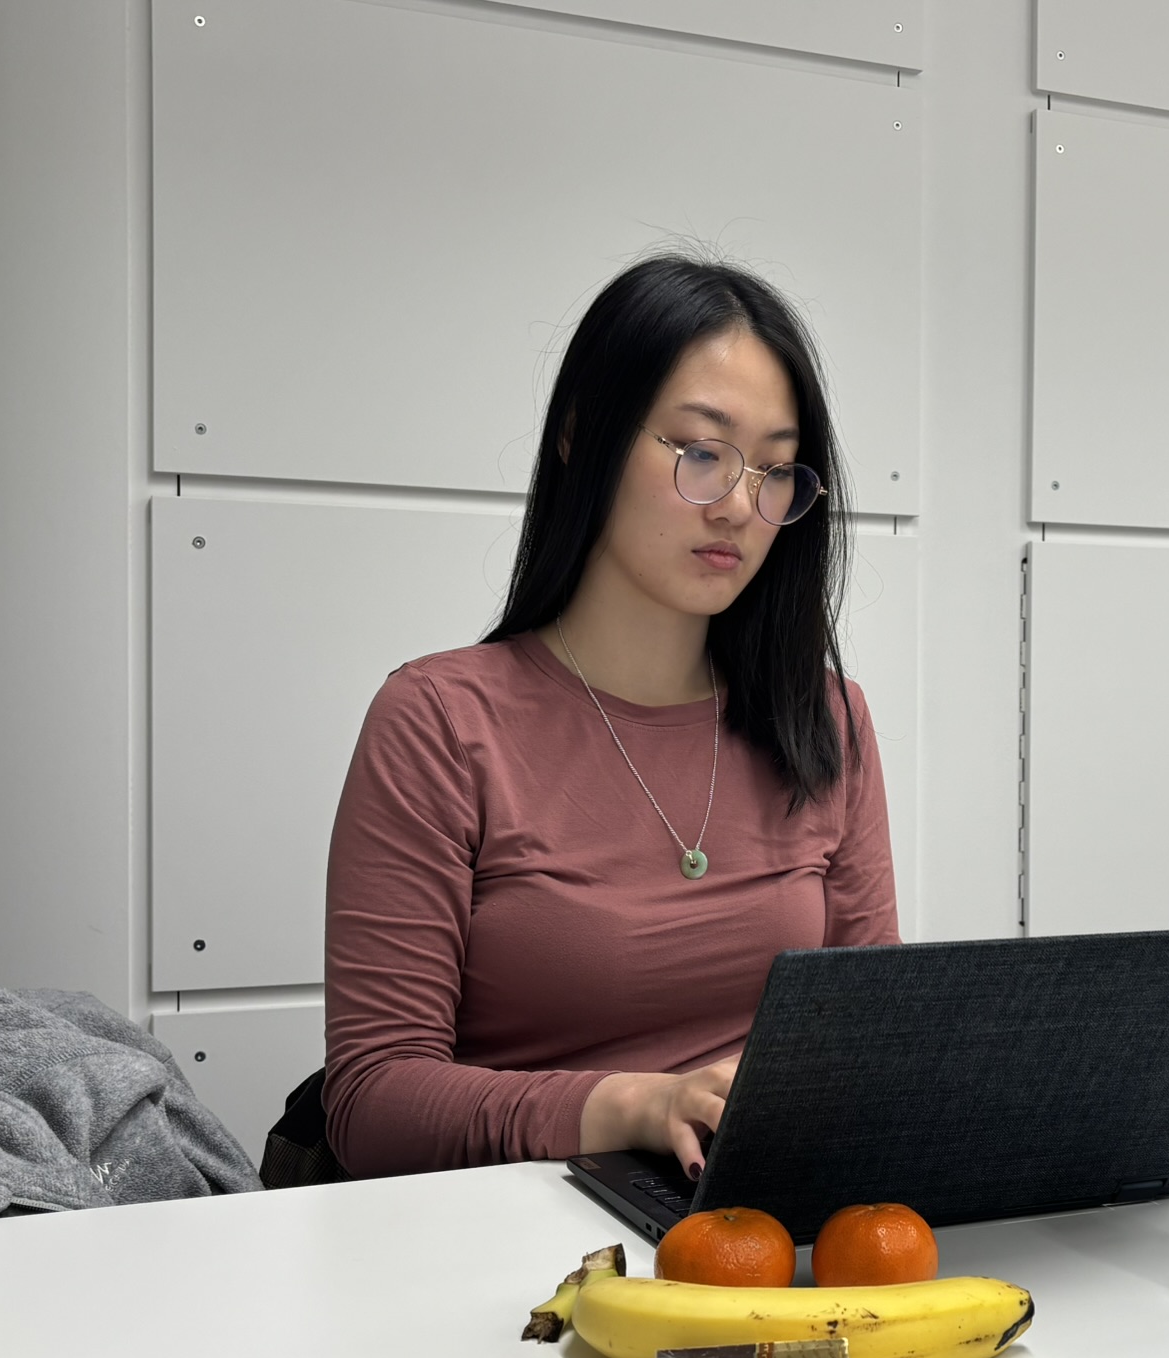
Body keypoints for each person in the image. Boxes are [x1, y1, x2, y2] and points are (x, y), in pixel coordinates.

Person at [321, 256, 899, 1181]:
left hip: (770, 1228)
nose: (742, 509)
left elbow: (875, 1041)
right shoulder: (438, 722)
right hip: (513, 1245)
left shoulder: (826, 721)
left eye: (776, 471)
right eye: (701, 453)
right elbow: (373, 1101)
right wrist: (633, 1103)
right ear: (582, 437)